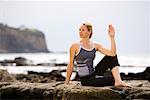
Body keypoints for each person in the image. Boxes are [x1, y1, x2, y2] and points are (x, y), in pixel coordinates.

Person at [64, 23, 130, 87]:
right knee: (112, 80)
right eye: (79, 30)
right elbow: (70, 64)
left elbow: (112, 53)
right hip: (86, 79)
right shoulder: (75, 46)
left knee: (111, 57)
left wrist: (112, 37)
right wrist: (67, 82)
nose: (80, 32)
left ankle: (118, 81)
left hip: (94, 73)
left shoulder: (95, 45)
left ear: (89, 31)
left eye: (83, 30)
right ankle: (117, 81)